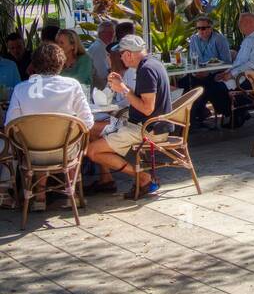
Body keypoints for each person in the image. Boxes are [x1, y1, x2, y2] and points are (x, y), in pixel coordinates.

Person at [4, 40, 94, 212]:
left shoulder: (21, 88)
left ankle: (40, 196)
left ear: (35, 65)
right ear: (61, 63)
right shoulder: (72, 86)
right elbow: (88, 122)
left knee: (35, 141)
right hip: (65, 152)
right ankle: (71, 193)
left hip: (32, 154)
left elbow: (10, 124)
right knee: (73, 140)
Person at [86, 34, 172, 199]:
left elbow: (147, 108)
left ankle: (143, 178)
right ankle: (107, 179)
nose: (120, 58)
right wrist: (122, 86)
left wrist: (123, 89)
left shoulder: (146, 70)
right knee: (90, 129)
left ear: (129, 54)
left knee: (92, 152)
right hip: (140, 124)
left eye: (121, 54)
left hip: (146, 129)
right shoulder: (152, 63)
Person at [215, 11, 254, 128]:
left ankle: (237, 114)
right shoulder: (249, 38)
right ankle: (237, 113)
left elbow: (253, 64)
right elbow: (239, 62)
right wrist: (226, 73)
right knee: (212, 82)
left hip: (249, 77)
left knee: (216, 88)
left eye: (240, 23)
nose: (239, 26)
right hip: (239, 73)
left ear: (249, 23)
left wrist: (231, 74)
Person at [184, 15, 233, 127]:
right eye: (198, 28)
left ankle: (196, 116)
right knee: (184, 84)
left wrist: (209, 72)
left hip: (214, 73)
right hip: (198, 73)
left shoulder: (219, 39)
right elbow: (192, 60)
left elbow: (227, 62)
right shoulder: (194, 39)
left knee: (204, 86)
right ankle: (196, 114)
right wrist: (195, 72)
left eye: (204, 28)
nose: (201, 31)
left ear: (210, 28)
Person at [87, 20, 116, 90]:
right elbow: (102, 74)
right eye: (109, 33)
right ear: (100, 33)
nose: (112, 35)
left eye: (112, 32)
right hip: (98, 90)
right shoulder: (98, 49)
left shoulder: (102, 47)